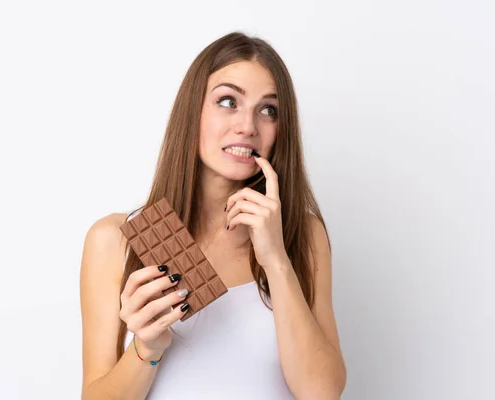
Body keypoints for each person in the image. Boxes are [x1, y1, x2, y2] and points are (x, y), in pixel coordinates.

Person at [79, 31, 347, 399]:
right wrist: (147, 349)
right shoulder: (116, 238)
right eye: (227, 101)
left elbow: (321, 393)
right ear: (192, 111)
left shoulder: (302, 234)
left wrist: (275, 260)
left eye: (268, 110)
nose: (248, 125)